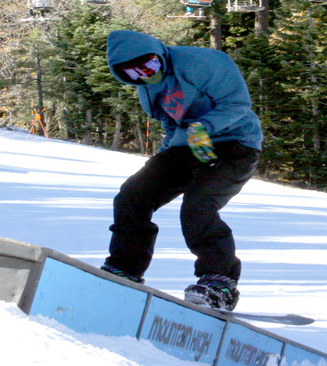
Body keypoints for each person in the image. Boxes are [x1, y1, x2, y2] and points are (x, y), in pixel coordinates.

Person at [102, 30, 263, 311]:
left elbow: (237, 104)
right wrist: (165, 157)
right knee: (132, 196)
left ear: (159, 54)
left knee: (199, 205)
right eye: (133, 74)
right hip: (188, 145)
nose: (144, 75)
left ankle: (219, 282)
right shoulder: (147, 91)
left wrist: (204, 127)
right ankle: (124, 269)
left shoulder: (203, 62)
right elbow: (171, 123)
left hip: (235, 144)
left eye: (149, 66)